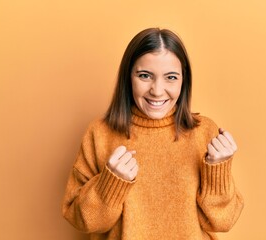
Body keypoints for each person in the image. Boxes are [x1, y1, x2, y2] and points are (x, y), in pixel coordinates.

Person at [62, 28, 244, 240]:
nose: (157, 90)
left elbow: (223, 221)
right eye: (145, 76)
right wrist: (110, 184)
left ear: (183, 80)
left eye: (171, 77)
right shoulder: (100, 132)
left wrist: (218, 171)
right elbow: (82, 221)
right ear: (128, 77)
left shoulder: (205, 132)